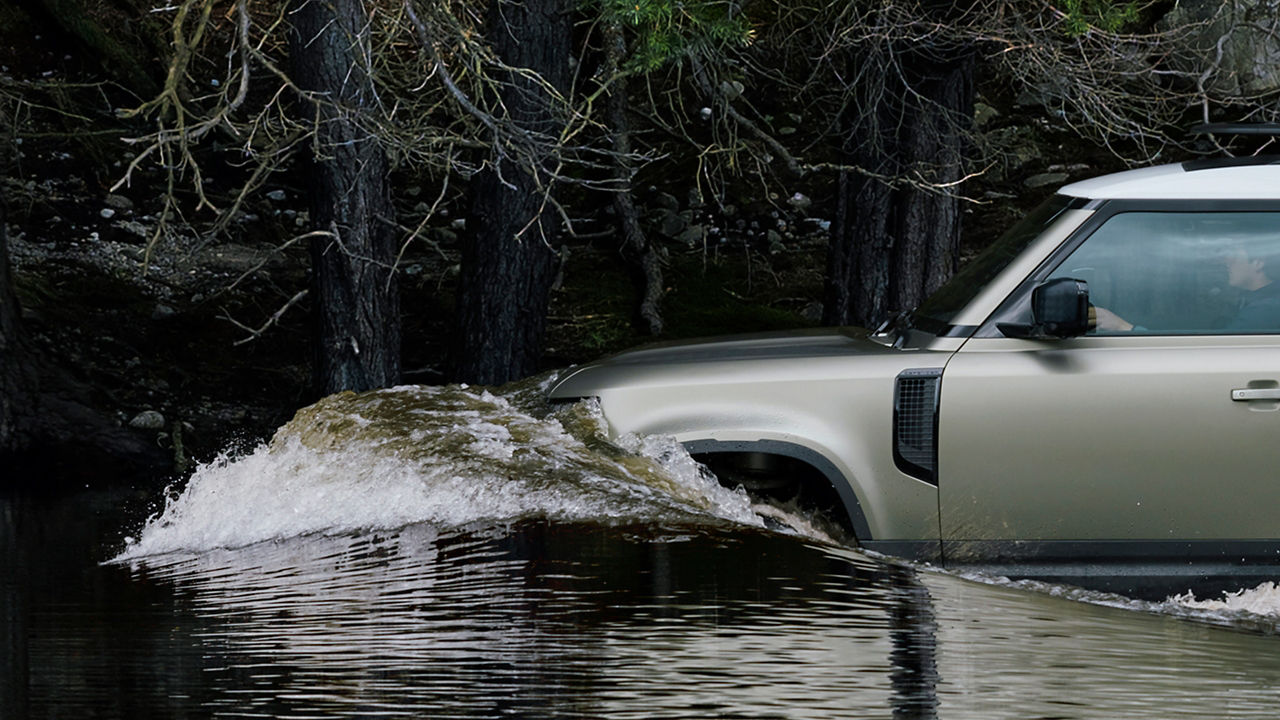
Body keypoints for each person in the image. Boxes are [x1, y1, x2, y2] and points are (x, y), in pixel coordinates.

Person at [1093, 243, 1280, 333]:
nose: (1226, 261)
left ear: (1258, 262)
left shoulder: (1264, 311)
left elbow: (1210, 358)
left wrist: (1124, 328)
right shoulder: (1251, 301)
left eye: (1234, 255)